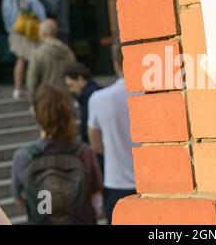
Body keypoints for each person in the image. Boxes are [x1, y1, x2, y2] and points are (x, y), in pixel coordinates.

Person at [11, 85, 103, 225]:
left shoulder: (23, 156)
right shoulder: (84, 152)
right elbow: (96, 194)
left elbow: (18, 198)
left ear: (34, 113)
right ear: (67, 111)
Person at [87, 42, 138, 224]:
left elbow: (96, 145)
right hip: (152, 181)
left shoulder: (98, 99)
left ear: (116, 63)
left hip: (116, 182)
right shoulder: (151, 94)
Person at [1, 0, 46, 99]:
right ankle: (35, 87)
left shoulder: (5, 0)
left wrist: (12, 32)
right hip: (29, 32)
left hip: (14, 34)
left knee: (20, 60)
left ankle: (18, 88)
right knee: (34, 59)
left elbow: (6, 21)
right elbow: (40, 13)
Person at [63, 62, 103, 172]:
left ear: (80, 79)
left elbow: (89, 127)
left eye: (71, 85)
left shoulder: (90, 96)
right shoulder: (92, 93)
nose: (71, 90)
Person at [26, 19, 75, 100]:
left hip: (46, 101)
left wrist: (33, 102)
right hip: (66, 100)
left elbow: (32, 82)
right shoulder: (68, 51)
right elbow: (74, 75)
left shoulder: (38, 54)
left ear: (42, 33)